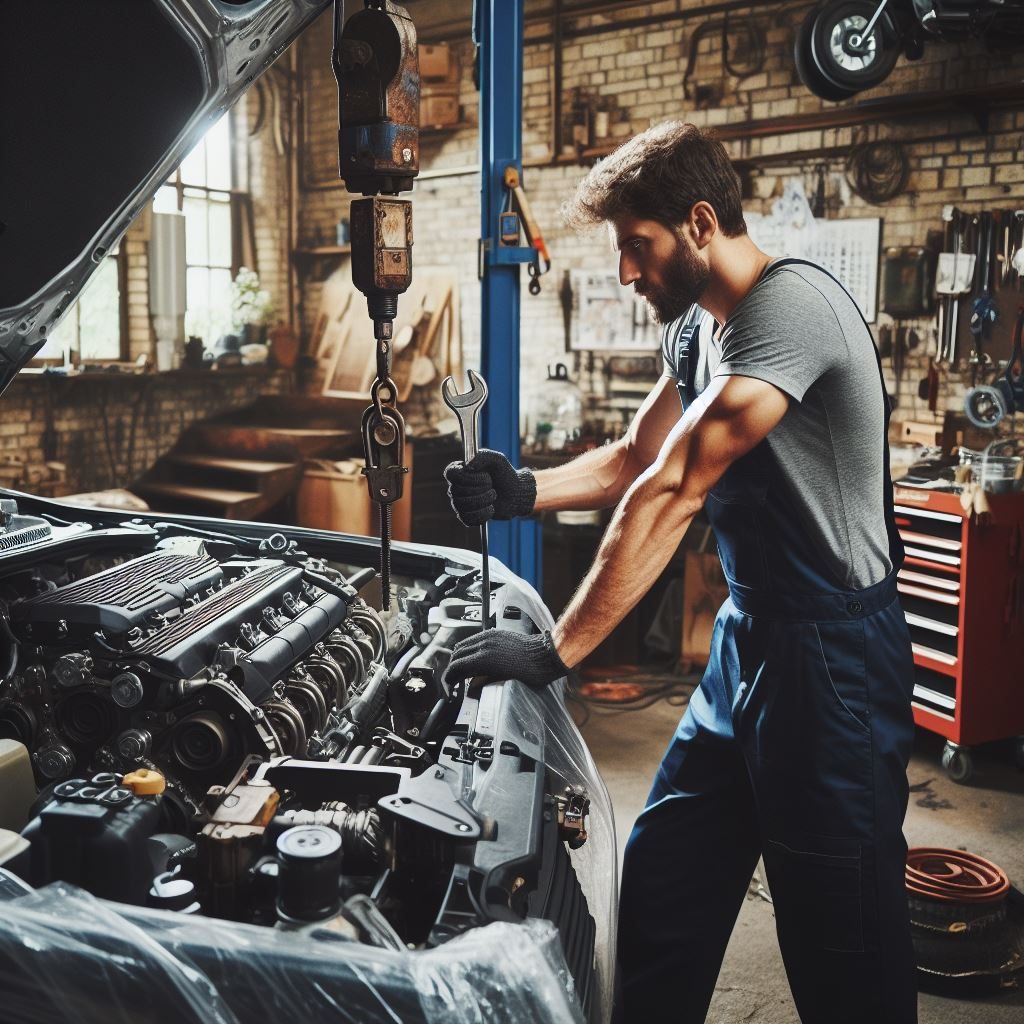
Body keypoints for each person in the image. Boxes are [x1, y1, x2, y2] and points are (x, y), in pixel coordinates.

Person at [443, 121, 917, 1024]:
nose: (626, 271)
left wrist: (556, 650)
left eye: (637, 246)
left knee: (839, 932)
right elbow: (634, 453)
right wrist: (523, 489)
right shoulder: (700, 329)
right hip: (750, 644)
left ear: (700, 222)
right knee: (666, 877)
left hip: (835, 664)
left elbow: (675, 485)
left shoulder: (791, 310)